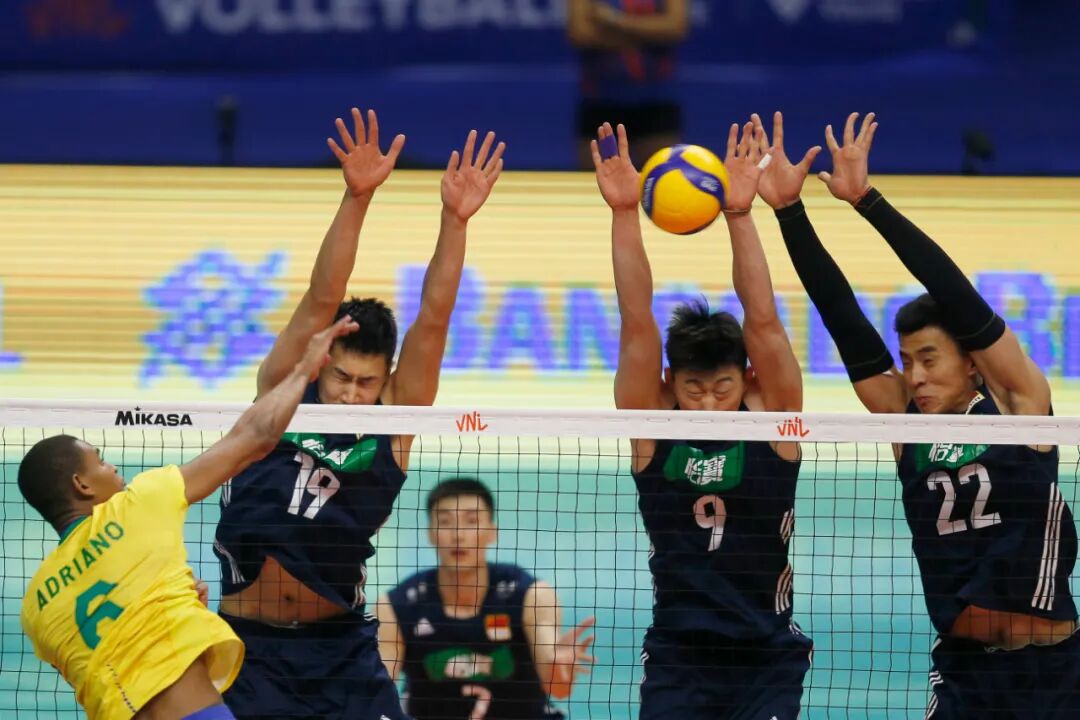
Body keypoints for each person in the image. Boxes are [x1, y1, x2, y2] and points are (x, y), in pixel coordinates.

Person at [759, 110, 1080, 718]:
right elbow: (843, 318)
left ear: (973, 363)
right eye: (907, 361)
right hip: (963, 674)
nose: (916, 376)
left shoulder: (1019, 405)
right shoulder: (907, 425)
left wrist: (867, 201)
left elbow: (955, 291)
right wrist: (789, 212)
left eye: (929, 359)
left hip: (1055, 674)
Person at [212, 109, 505, 718]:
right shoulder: (284, 391)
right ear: (321, 363)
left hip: (339, 652)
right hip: (247, 651)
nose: (351, 394)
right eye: (341, 377)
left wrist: (455, 220)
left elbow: (434, 317)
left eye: (367, 383)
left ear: (385, 380)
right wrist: (357, 197)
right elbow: (322, 294)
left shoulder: (394, 420)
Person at [19, 317, 360, 720]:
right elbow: (255, 438)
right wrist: (304, 369)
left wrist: (182, 614)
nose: (114, 469)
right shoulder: (137, 504)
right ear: (82, 484)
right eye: (102, 461)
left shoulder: (35, 607)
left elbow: (106, 661)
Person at [590, 120, 812, 719]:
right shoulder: (653, 427)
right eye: (693, 389)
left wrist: (739, 214)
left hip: (767, 655)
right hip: (679, 656)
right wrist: (624, 213)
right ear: (670, 382)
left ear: (748, 379)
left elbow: (762, 320)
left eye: (722, 388)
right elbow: (637, 322)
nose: (709, 404)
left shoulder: (772, 419)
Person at [375, 478, 595, 720]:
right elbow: (376, 692)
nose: (458, 535)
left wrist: (558, 667)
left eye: (471, 522)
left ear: (492, 532)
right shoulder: (395, 606)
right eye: (445, 522)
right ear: (430, 534)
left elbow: (559, 688)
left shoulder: (532, 595)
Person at [568, 0, 689, 169]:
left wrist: (613, 20)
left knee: (661, 179)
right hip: (600, 100)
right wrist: (647, 36)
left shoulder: (611, 20)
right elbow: (582, 32)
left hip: (656, 101)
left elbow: (674, 27)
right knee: (598, 180)